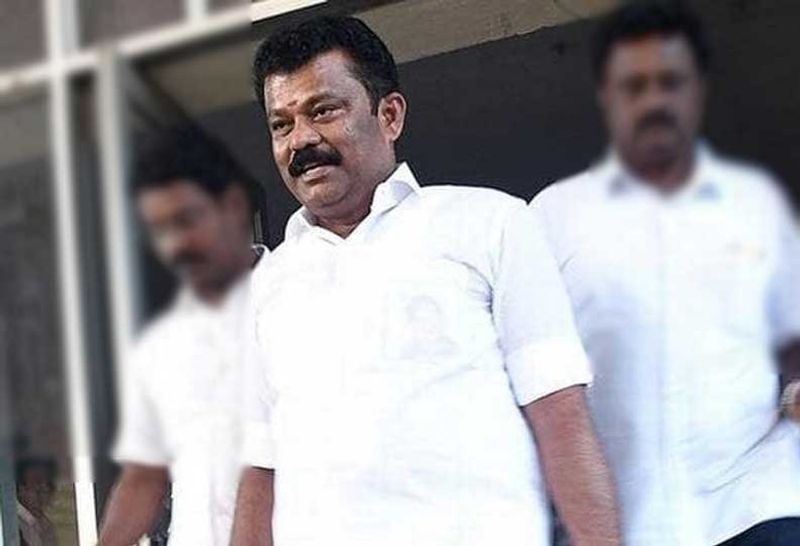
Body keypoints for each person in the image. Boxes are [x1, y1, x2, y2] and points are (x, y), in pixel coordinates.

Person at [232, 16, 620, 546]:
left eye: (323, 111)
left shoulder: (489, 224)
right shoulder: (266, 286)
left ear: (389, 115)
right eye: (282, 125)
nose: (301, 139)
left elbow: (561, 417)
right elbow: (260, 469)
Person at [530, 3, 800, 545]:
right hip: (626, 518)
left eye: (670, 82)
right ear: (607, 97)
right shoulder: (550, 216)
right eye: (634, 85)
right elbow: (528, 366)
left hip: (755, 501)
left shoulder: (754, 205)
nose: (654, 100)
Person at [99, 127, 266, 545]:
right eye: (160, 229)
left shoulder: (298, 299)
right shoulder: (163, 347)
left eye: (187, 220)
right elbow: (144, 477)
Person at [16, 457, 58, 546]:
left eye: (47, 487)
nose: (42, 494)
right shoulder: (12, 524)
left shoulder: (45, 525)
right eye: (35, 486)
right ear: (21, 489)